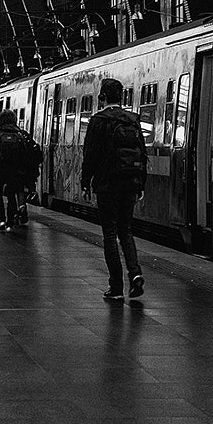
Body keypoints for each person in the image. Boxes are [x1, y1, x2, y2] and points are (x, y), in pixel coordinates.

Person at [81, 77, 145, 302]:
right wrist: (141, 184)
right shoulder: (133, 120)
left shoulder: (98, 121)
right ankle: (135, 273)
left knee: (110, 233)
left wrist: (85, 182)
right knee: (126, 230)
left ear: (102, 97)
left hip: (106, 185)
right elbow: (142, 154)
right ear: (121, 97)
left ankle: (116, 286)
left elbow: (90, 155)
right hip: (130, 184)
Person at [0, 110, 41, 232]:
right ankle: (10, 222)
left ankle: (2, 220)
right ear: (14, 120)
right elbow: (26, 153)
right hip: (15, 171)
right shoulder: (21, 134)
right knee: (11, 196)